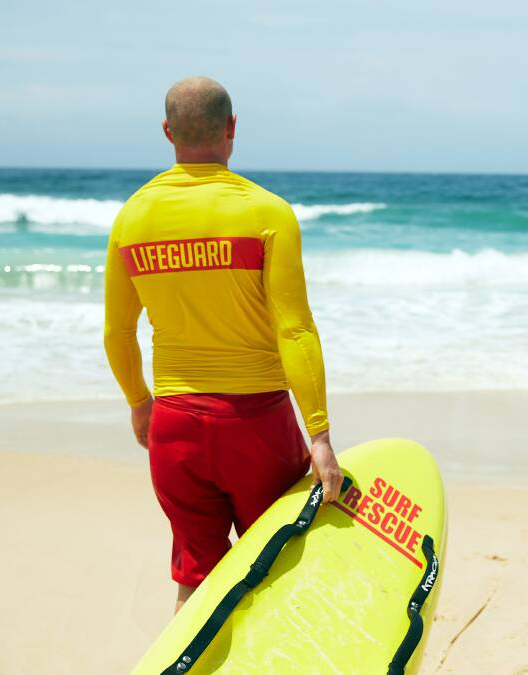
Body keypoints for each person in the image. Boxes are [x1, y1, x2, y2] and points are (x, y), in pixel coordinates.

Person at [103, 76, 342, 613]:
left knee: (195, 577)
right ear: (232, 127)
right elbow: (295, 328)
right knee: (276, 569)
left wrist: (140, 402)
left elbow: (118, 333)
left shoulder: (132, 218)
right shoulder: (266, 213)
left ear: (167, 132)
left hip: (175, 427)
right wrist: (320, 435)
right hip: (256, 427)